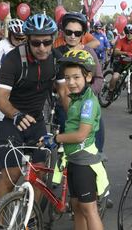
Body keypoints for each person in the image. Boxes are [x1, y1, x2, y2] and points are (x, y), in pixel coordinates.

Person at [0, 14, 68, 206]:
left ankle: (31, 219)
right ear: (28, 39)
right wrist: (16, 114)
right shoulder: (13, 59)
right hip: (10, 119)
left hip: (36, 121)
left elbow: (65, 93)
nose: (41, 47)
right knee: (11, 175)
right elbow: (0, 96)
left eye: (46, 42)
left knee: (39, 172)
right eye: (36, 43)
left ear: (53, 39)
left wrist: (78, 120)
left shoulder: (57, 60)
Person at [54, 49, 109, 230]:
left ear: (88, 77)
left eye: (76, 77)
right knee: (76, 206)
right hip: (74, 159)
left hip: (84, 160)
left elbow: (80, 135)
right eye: (67, 78)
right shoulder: (76, 98)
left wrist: (57, 138)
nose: (71, 82)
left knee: (88, 208)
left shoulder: (88, 102)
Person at [56, 12, 105, 153]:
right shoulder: (56, 53)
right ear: (63, 32)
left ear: (83, 34)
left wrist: (87, 94)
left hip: (87, 105)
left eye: (77, 33)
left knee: (96, 147)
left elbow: (99, 78)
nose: (72, 36)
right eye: (69, 32)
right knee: (68, 150)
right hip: (65, 106)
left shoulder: (89, 51)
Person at [107, 24, 132, 100]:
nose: (129, 34)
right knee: (115, 77)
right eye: (127, 32)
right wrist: (125, 53)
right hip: (121, 63)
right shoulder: (121, 41)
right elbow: (116, 51)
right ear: (125, 33)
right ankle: (110, 92)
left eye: (131, 32)